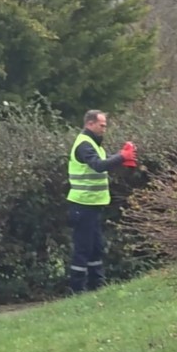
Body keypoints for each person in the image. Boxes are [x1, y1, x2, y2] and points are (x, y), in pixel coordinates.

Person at [67, 110, 137, 293]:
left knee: (96, 247)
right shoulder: (84, 144)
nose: (104, 129)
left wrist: (121, 158)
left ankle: (96, 286)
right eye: (102, 125)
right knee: (83, 249)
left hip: (93, 205)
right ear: (90, 124)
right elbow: (98, 165)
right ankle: (77, 290)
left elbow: (103, 162)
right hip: (82, 205)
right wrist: (122, 156)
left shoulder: (94, 145)